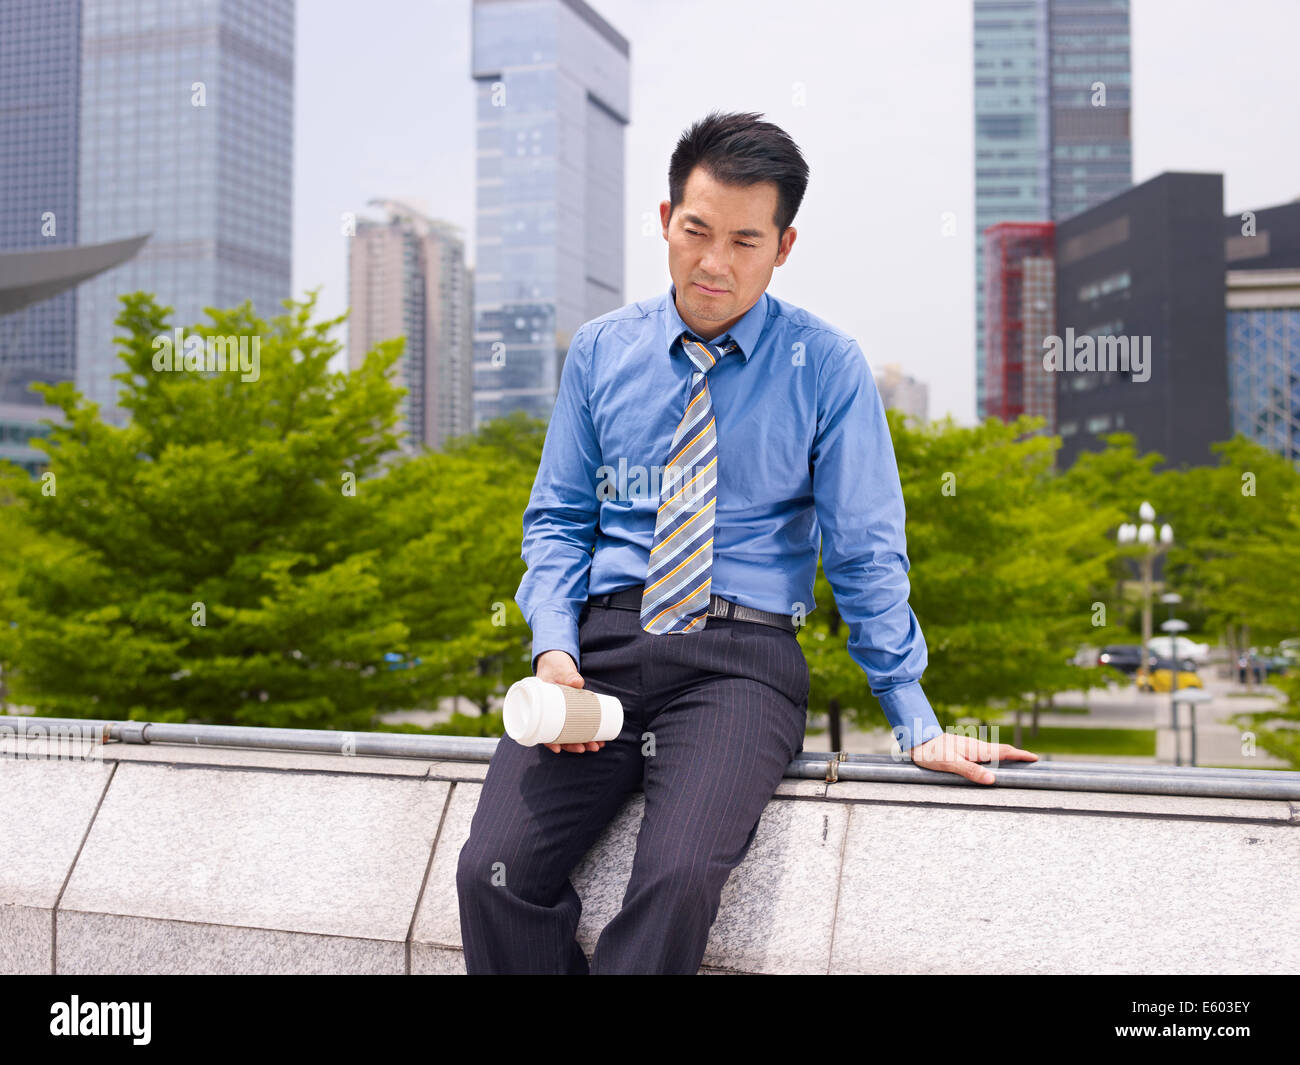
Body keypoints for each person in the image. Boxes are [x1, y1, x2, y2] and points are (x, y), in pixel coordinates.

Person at [457, 109, 1038, 975]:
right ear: (665, 222)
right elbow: (558, 518)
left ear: (784, 245)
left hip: (741, 662)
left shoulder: (828, 365)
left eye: (744, 239)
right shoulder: (600, 352)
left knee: (680, 876)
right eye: (695, 231)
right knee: (490, 872)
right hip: (600, 650)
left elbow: (864, 548)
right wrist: (553, 646)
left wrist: (911, 715)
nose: (714, 263)